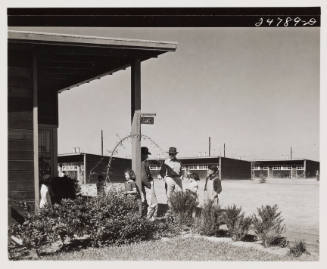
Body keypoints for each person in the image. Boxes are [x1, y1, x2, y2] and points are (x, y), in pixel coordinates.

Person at [141, 147, 158, 220]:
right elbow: (143, 175)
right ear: (142, 154)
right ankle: (150, 218)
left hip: (144, 183)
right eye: (145, 154)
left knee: (145, 200)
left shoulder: (142, 162)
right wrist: (148, 184)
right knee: (153, 202)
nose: (147, 156)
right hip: (147, 183)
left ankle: (147, 216)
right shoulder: (143, 162)